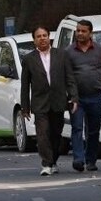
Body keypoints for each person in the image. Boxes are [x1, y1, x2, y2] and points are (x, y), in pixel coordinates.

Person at [20, 25, 78, 176]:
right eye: (38, 36)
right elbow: (25, 85)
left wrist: (73, 97)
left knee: (56, 134)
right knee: (42, 133)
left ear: (49, 37)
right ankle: (46, 163)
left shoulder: (61, 55)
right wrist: (25, 107)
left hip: (58, 101)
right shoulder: (29, 59)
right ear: (34, 40)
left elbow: (70, 78)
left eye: (44, 35)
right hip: (40, 103)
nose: (42, 39)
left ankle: (53, 161)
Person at [66, 19, 101, 172]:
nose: (80, 33)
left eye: (83, 31)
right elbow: (66, 74)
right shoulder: (69, 51)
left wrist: (96, 82)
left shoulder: (100, 50)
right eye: (78, 30)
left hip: (95, 96)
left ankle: (91, 160)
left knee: (93, 130)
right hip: (76, 98)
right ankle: (78, 159)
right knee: (77, 128)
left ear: (90, 33)